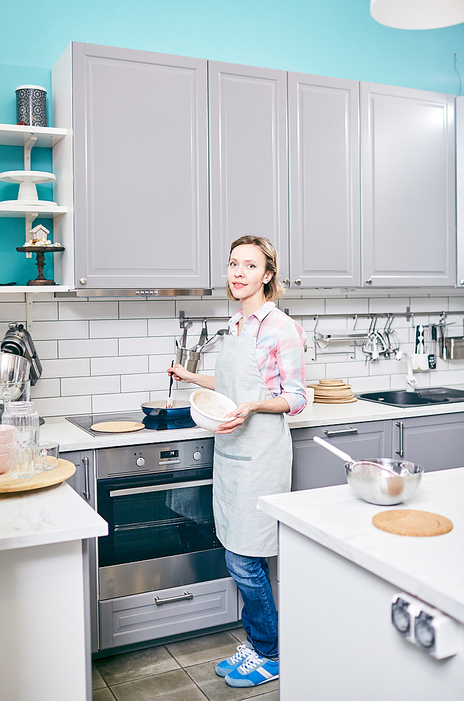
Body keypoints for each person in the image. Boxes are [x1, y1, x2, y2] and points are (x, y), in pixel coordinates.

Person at [168, 234, 307, 689]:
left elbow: (296, 398)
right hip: (229, 452)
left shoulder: (280, 327)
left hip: (261, 453)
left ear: (268, 275)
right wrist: (190, 376)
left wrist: (250, 407)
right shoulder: (235, 324)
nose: (238, 273)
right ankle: (259, 640)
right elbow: (229, 379)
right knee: (235, 549)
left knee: (246, 559)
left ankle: (270, 650)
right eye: (233, 264)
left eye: (249, 266)